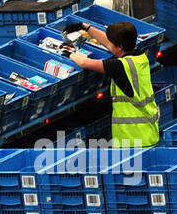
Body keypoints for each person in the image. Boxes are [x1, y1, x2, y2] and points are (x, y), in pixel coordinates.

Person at [63, 20, 159, 148]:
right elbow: (109, 43)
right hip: (148, 133)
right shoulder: (140, 56)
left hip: (133, 140)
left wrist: (69, 53)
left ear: (119, 46)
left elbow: (85, 63)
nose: (109, 43)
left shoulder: (119, 66)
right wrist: (86, 27)